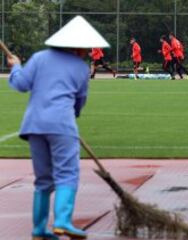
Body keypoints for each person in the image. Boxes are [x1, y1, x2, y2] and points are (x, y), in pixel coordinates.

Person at [6, 16, 110, 240]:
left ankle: (38, 229)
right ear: (78, 47)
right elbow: (79, 101)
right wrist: (73, 115)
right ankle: (62, 222)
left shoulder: (39, 58)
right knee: (67, 175)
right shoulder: (81, 68)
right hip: (62, 125)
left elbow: (21, 84)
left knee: (43, 180)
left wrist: (16, 68)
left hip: (34, 126)